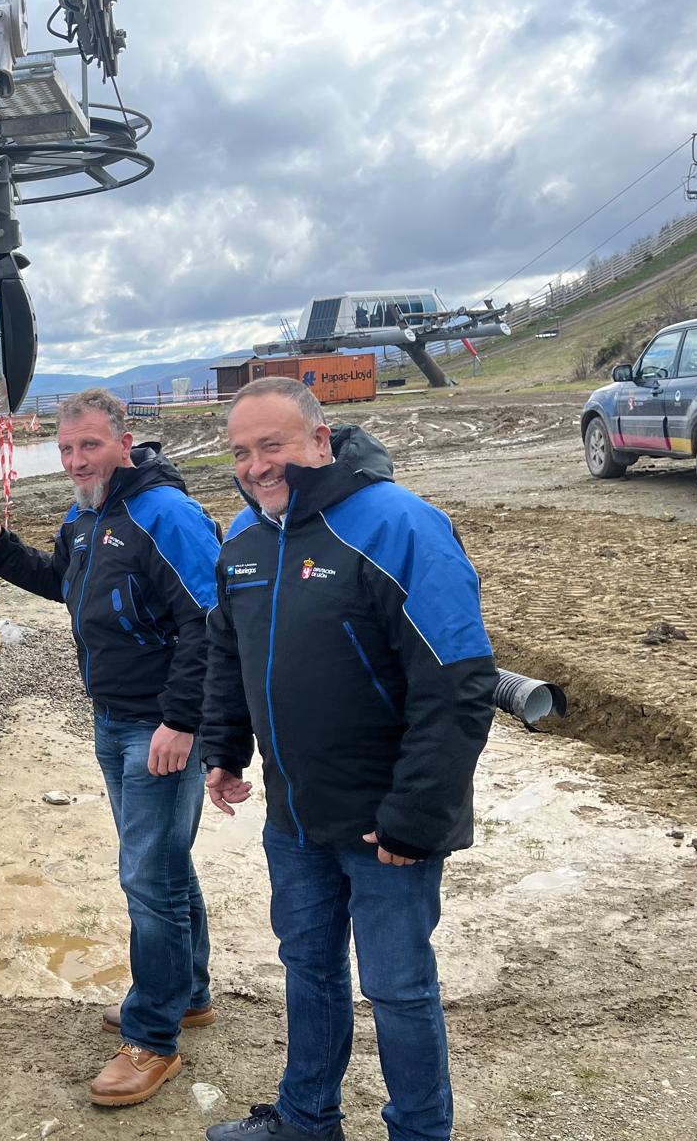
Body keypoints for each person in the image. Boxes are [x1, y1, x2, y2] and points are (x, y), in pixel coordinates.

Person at [198, 378, 497, 1141]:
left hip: (385, 822)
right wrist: (225, 748)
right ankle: (306, 1119)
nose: (257, 466)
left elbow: (459, 683)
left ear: (320, 441)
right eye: (242, 452)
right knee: (309, 969)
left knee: (397, 988)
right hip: (295, 814)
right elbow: (228, 652)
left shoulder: (401, 525)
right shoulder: (245, 538)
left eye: (274, 446)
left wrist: (416, 817)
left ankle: (420, 1133)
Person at [0, 388, 221, 1107]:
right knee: (161, 866)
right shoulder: (85, 515)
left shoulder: (163, 513)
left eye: (90, 445)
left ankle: (153, 1035)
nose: (78, 459)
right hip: (110, 718)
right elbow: (66, 587)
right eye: (67, 449)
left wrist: (181, 719)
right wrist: (6, 550)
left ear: (123, 440)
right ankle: (188, 991)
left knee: (148, 876)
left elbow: (211, 619)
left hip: (159, 726)